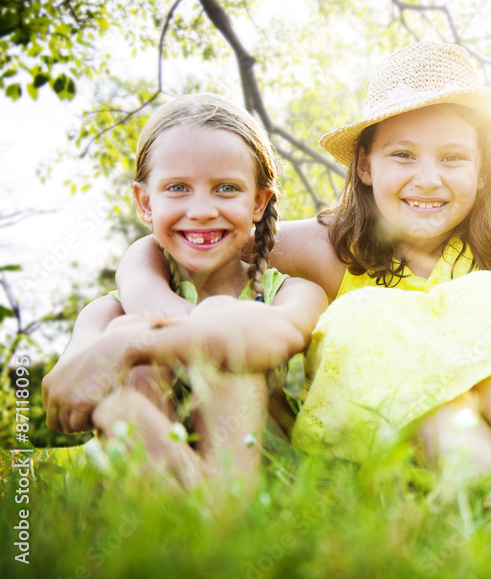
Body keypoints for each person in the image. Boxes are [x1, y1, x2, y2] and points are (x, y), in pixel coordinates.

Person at [110, 42, 491, 475]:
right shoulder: (331, 245)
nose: (428, 178)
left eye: (452, 158)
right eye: (403, 155)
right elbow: (189, 237)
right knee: (364, 318)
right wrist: (149, 298)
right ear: (365, 165)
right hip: (405, 428)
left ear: (481, 170)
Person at [42, 93, 328, 487]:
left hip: (258, 477)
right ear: (145, 202)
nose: (201, 210)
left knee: (228, 337)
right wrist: (110, 363)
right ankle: (182, 509)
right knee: (124, 396)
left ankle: (219, 505)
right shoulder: (110, 311)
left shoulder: (291, 292)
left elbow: (277, 333)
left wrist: (129, 344)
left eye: (226, 188)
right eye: (177, 188)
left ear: (259, 202)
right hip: (149, 473)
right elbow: (64, 405)